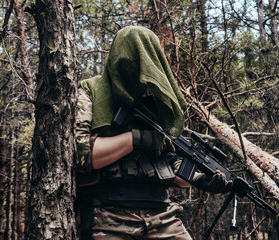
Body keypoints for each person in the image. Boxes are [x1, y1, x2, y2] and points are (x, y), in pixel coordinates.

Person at [75, 26, 233, 240]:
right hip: (107, 215)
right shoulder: (90, 91)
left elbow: (169, 165)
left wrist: (200, 178)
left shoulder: (158, 102)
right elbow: (82, 155)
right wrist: (137, 139)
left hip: (163, 216)